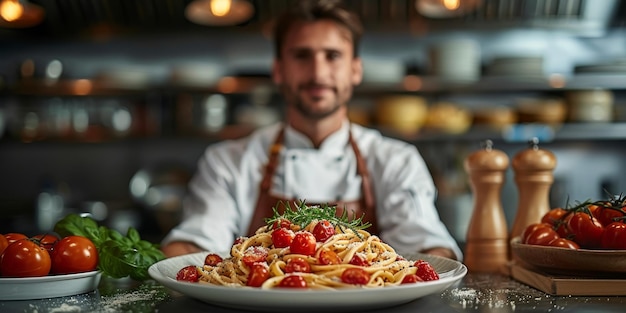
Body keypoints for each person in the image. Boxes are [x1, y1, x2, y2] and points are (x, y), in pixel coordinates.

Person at [161, 0, 462, 260]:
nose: (318, 73)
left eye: (332, 56)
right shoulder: (228, 161)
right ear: (278, 70)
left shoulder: (397, 161)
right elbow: (196, 248)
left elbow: (428, 252)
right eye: (302, 56)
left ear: (355, 69)